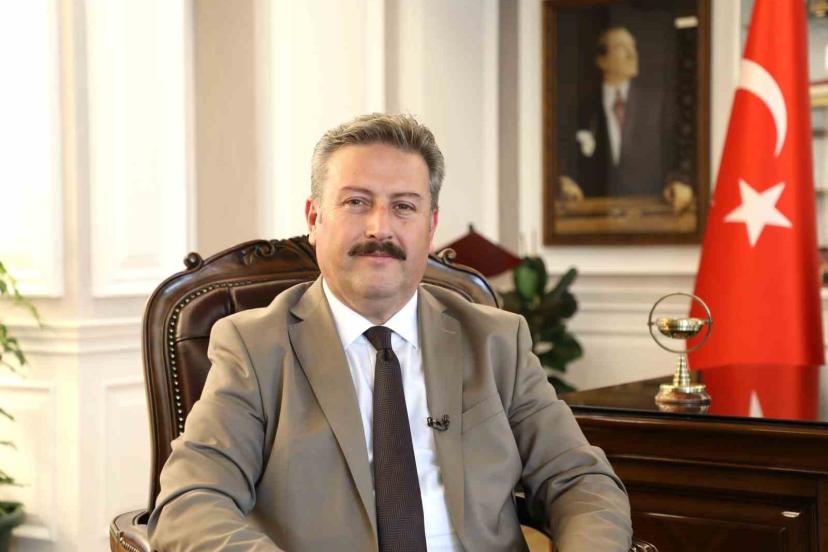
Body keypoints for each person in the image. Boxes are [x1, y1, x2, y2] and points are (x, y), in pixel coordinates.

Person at [148, 113, 632, 551]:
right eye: (357, 202)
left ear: (430, 226)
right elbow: (191, 503)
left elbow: (580, 481)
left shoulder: (496, 341)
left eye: (404, 207)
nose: (380, 228)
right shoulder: (255, 348)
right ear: (315, 218)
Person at [560, 26, 693, 213]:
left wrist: (679, 182)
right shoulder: (581, 109)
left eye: (633, 47)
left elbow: (676, 154)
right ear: (602, 60)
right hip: (594, 216)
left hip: (649, 214)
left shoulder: (656, 105)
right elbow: (565, 160)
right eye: (622, 47)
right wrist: (565, 181)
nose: (632, 54)